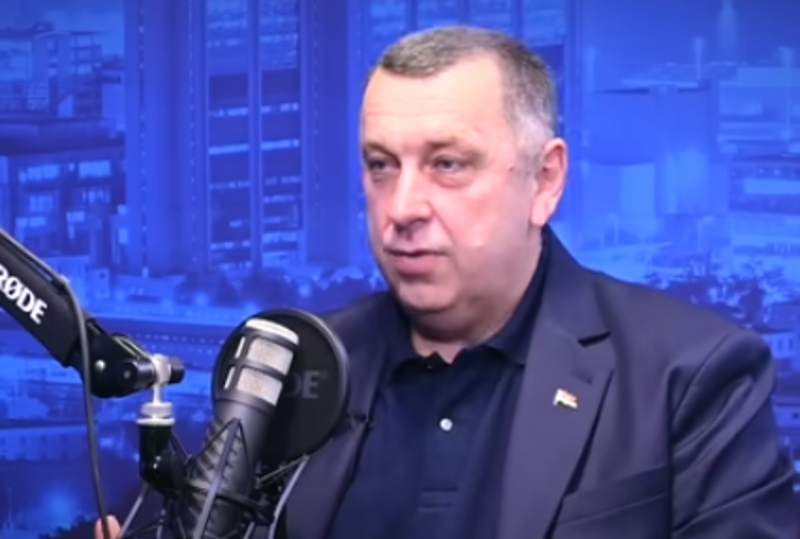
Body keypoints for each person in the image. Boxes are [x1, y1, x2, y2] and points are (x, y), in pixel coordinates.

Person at [95, 25, 796, 539]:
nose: (402, 207)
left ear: (545, 181)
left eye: (448, 165)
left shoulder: (691, 375)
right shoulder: (303, 363)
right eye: (381, 165)